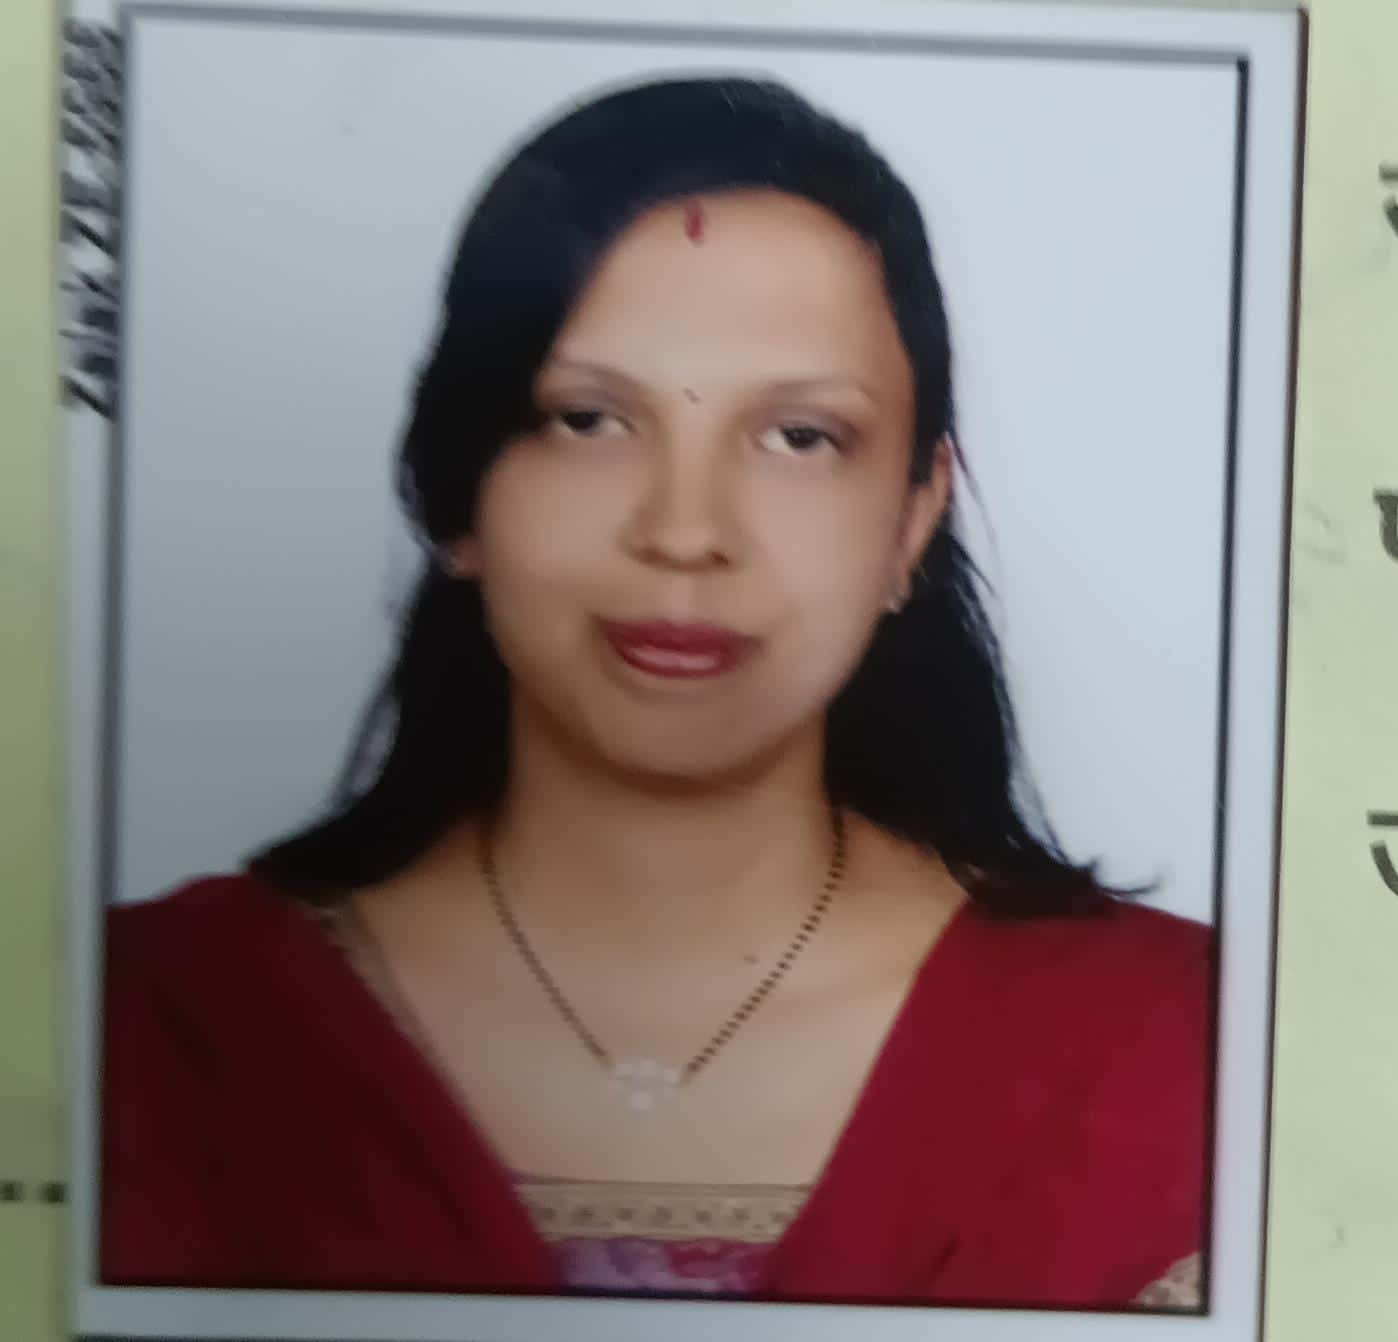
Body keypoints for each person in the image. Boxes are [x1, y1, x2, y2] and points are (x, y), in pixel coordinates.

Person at [100, 76, 1211, 1310]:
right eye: (587, 419)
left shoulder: (1181, 1059)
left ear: (913, 518)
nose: (685, 532)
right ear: (453, 488)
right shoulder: (144, 1027)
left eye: (800, 437)